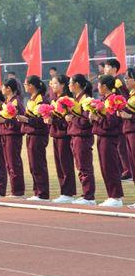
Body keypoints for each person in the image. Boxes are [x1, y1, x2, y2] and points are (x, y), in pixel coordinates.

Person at [91, 75, 124, 207]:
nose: (97, 87)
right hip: (102, 136)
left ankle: (116, 197)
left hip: (110, 137)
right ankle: (111, 195)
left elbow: (112, 122)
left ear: (104, 86)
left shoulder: (112, 100)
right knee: (105, 166)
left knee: (111, 166)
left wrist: (97, 117)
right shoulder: (104, 99)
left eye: (98, 85)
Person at [43, 75, 76, 203]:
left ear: (63, 85)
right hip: (56, 134)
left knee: (65, 163)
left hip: (65, 135)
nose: (52, 85)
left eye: (55, 83)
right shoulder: (54, 99)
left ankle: (68, 192)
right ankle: (64, 191)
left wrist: (55, 120)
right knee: (59, 164)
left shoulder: (67, 100)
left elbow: (68, 119)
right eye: (51, 83)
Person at [19, 76, 50, 201]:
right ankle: (37, 191)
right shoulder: (32, 99)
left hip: (38, 135)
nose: (25, 86)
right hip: (31, 134)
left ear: (32, 85)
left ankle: (42, 193)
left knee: (38, 164)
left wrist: (26, 119)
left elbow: (42, 121)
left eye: (26, 84)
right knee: (33, 165)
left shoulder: (41, 99)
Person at [67, 75, 96, 204]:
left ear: (77, 84)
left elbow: (86, 121)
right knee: (80, 166)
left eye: (70, 82)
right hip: (75, 135)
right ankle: (85, 194)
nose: (69, 85)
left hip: (83, 136)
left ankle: (89, 196)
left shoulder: (86, 99)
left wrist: (72, 118)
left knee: (85, 166)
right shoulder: (76, 99)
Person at [103, 58, 131, 181]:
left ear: (114, 68)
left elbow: (123, 98)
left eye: (107, 67)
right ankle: (123, 169)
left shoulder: (117, 82)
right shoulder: (110, 81)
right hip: (113, 117)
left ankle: (127, 170)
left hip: (119, 119)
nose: (105, 69)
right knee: (118, 146)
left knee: (122, 146)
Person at [0, 79, 25, 198]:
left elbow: (19, 119)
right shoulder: (7, 101)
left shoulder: (16, 101)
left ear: (8, 89)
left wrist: (6, 121)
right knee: (9, 163)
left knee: (14, 163)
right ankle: (14, 189)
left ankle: (17, 191)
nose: (1, 89)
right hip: (5, 133)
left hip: (13, 135)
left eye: (3, 87)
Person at [119, 68, 135, 209]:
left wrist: (131, 116)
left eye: (128, 78)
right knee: (133, 166)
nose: (126, 80)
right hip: (129, 133)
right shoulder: (131, 96)